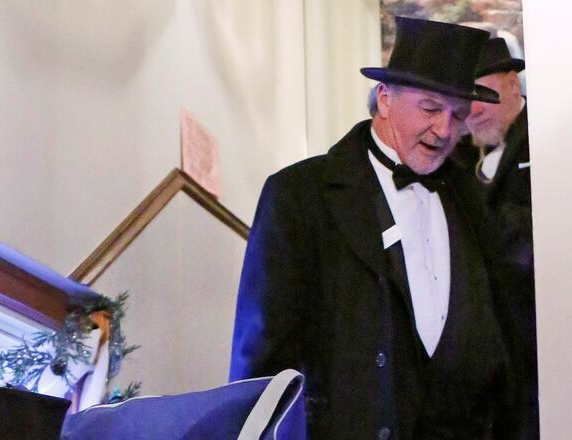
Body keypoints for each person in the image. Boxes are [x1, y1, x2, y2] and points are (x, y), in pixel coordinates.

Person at [229, 17, 523, 439]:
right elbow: (260, 362)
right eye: (430, 108)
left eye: (457, 116)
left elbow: (501, 342)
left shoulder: (472, 201)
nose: (444, 130)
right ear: (384, 99)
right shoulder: (299, 195)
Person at [452, 37, 538, 439]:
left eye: (485, 92)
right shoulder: (454, 160)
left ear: (512, 84)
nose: (475, 108)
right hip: (482, 366)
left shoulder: (546, 142)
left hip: (537, 350)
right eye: (466, 97)